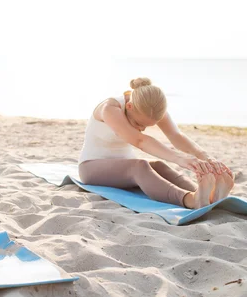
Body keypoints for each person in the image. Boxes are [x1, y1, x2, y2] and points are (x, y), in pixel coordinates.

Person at [78, 77, 234, 209]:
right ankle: (191, 200)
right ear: (130, 106)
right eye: (139, 123)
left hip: (122, 168)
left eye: (148, 125)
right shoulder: (110, 108)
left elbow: (176, 136)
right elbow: (139, 140)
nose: (143, 129)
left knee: (159, 165)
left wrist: (206, 158)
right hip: (91, 167)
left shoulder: (152, 108)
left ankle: (208, 195)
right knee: (139, 166)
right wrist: (180, 159)